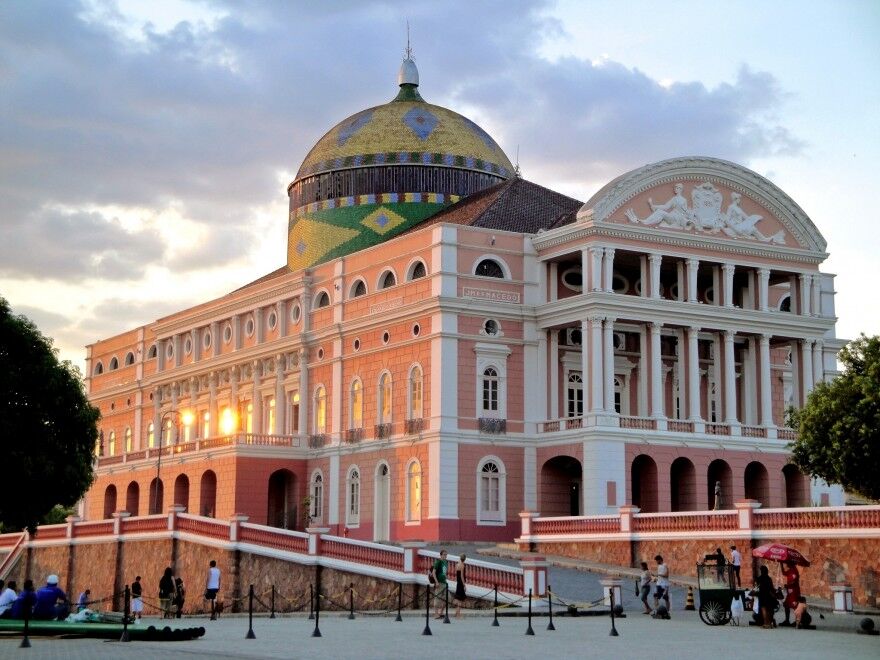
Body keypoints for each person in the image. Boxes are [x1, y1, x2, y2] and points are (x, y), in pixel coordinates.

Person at [781, 561, 801, 626]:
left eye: (786, 563)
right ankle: (787, 620)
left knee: (795, 606)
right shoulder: (790, 570)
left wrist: (788, 585)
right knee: (786, 605)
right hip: (790, 592)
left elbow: (794, 582)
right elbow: (784, 573)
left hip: (794, 592)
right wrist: (780, 563)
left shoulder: (794, 571)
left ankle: (797, 620)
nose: (785, 564)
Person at [431, 549, 449, 618]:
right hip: (439, 583)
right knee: (437, 598)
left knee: (447, 598)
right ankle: (436, 614)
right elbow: (433, 572)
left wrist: (445, 577)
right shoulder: (438, 562)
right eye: (444, 554)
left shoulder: (446, 562)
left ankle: (441, 612)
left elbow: (444, 572)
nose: (445, 556)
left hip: (444, 582)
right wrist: (436, 582)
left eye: (446, 555)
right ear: (441, 555)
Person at [453, 554, 467, 618]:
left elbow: (457, 575)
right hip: (461, 583)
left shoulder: (457, 565)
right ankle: (458, 614)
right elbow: (462, 576)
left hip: (458, 583)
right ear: (465, 559)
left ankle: (456, 613)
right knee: (460, 599)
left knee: (458, 598)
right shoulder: (462, 565)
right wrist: (464, 584)